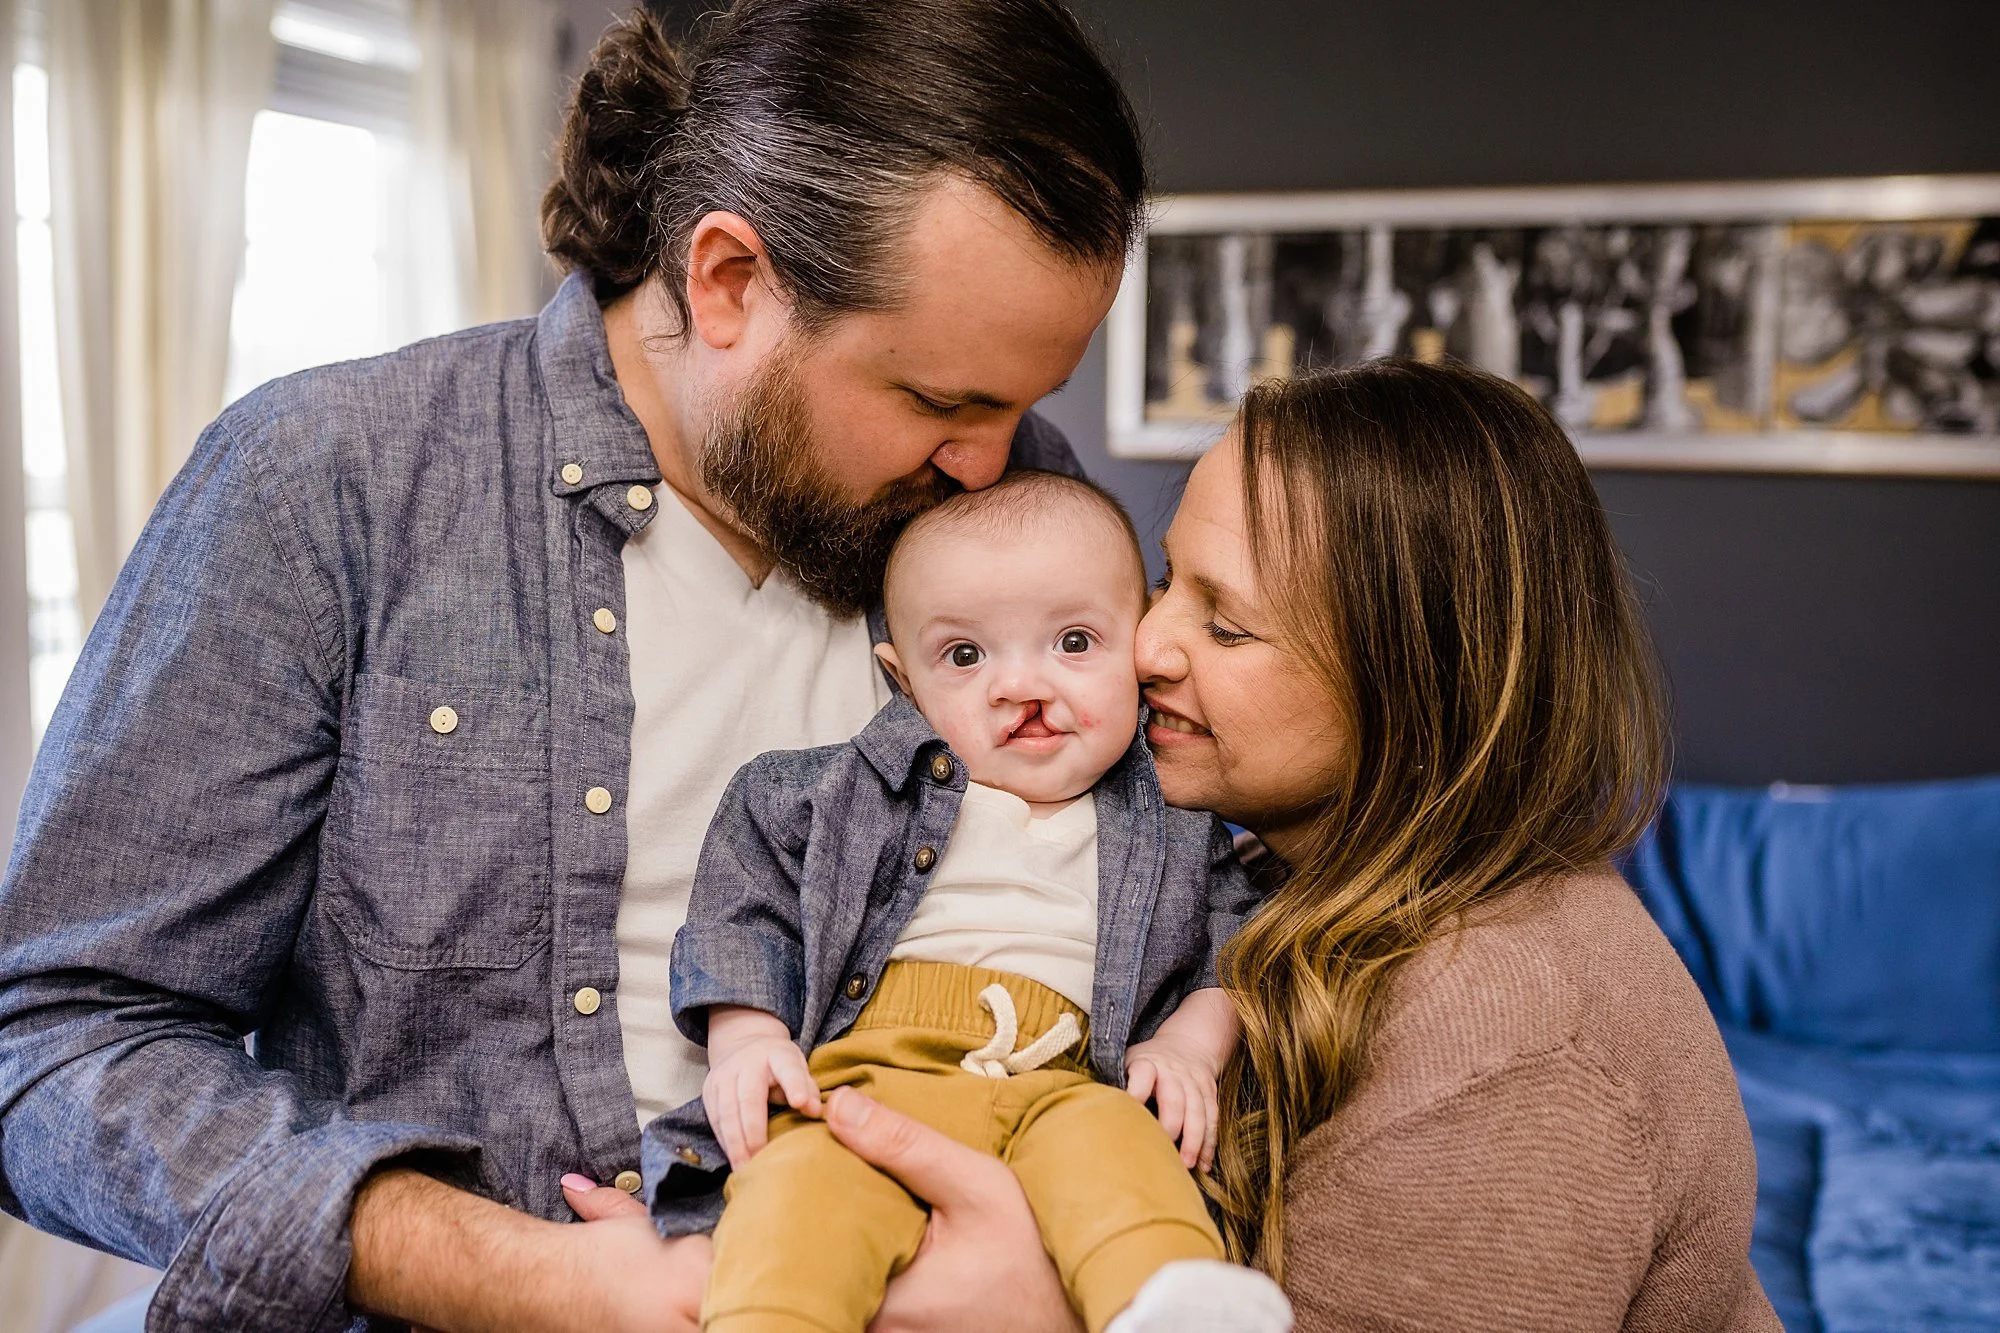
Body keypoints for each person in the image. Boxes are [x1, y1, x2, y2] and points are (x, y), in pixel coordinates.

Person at [0, 2, 1147, 1329]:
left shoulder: (1025, 519)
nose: (996, 464)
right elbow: (57, 1041)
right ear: (727, 282)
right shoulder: (329, 482)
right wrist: (512, 1274)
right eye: (944, 402)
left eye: (1022, 403)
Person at [1138, 359, 1780, 1329]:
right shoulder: (1281, 872)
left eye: (1225, 625)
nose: (1145, 643)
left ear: (1411, 679)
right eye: (1163, 581)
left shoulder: (1498, 1062)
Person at [663, 472, 1287, 1332]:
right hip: (865, 1080)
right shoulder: (848, 792)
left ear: (1137, 641)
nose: (1022, 684)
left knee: (1126, 1159)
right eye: (966, 656)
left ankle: (1174, 1305)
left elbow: (1235, 942)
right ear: (904, 679)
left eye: (1074, 641)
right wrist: (749, 1034)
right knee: (798, 1188)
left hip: (1068, 1082)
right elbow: (747, 893)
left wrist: (1187, 1045)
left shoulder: (1172, 822)